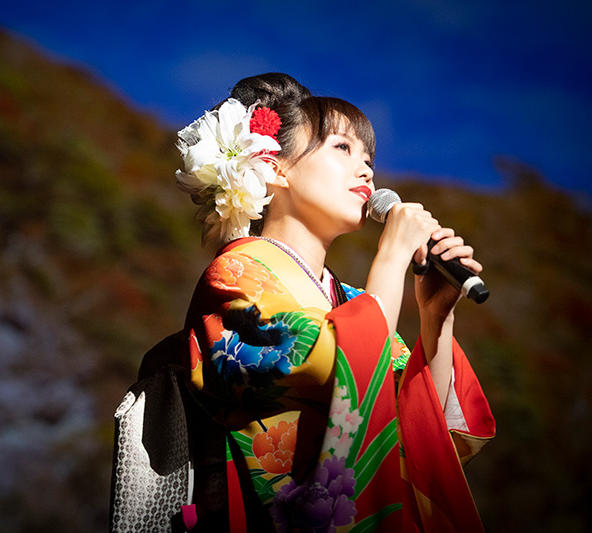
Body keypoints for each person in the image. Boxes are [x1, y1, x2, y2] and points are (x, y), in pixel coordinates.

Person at [112, 73, 495, 533]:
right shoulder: (236, 273)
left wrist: (436, 319)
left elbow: (421, 433)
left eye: (369, 157)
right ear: (276, 167)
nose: (367, 171)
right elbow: (327, 360)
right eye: (342, 148)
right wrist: (392, 257)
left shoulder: (351, 299)